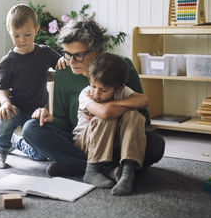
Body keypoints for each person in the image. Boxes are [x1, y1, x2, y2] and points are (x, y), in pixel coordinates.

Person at [22, 18, 165, 191]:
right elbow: (63, 123)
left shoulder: (121, 66)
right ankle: (107, 170)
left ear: (96, 52)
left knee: (156, 144)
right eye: (66, 54)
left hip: (119, 141)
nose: (71, 61)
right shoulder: (63, 71)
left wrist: (109, 110)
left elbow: (144, 119)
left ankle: (72, 165)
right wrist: (49, 117)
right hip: (82, 141)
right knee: (31, 128)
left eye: (78, 55)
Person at [0, 3, 61, 169]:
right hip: (16, 108)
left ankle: (17, 142)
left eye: (27, 34)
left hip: (37, 111)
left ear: (36, 30)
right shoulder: (7, 62)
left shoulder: (45, 53)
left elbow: (61, 64)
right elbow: (1, 89)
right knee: (5, 116)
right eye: (16, 35)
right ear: (10, 33)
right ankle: (1, 151)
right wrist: (5, 103)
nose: (22, 40)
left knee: (42, 155)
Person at [73, 52, 148, 195]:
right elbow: (105, 113)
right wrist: (116, 107)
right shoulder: (85, 94)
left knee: (133, 115)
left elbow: (144, 101)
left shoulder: (122, 91)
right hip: (84, 143)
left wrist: (113, 104)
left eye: (103, 90)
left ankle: (127, 171)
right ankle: (92, 170)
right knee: (106, 117)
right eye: (93, 85)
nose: (95, 94)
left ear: (119, 88)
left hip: (112, 144)